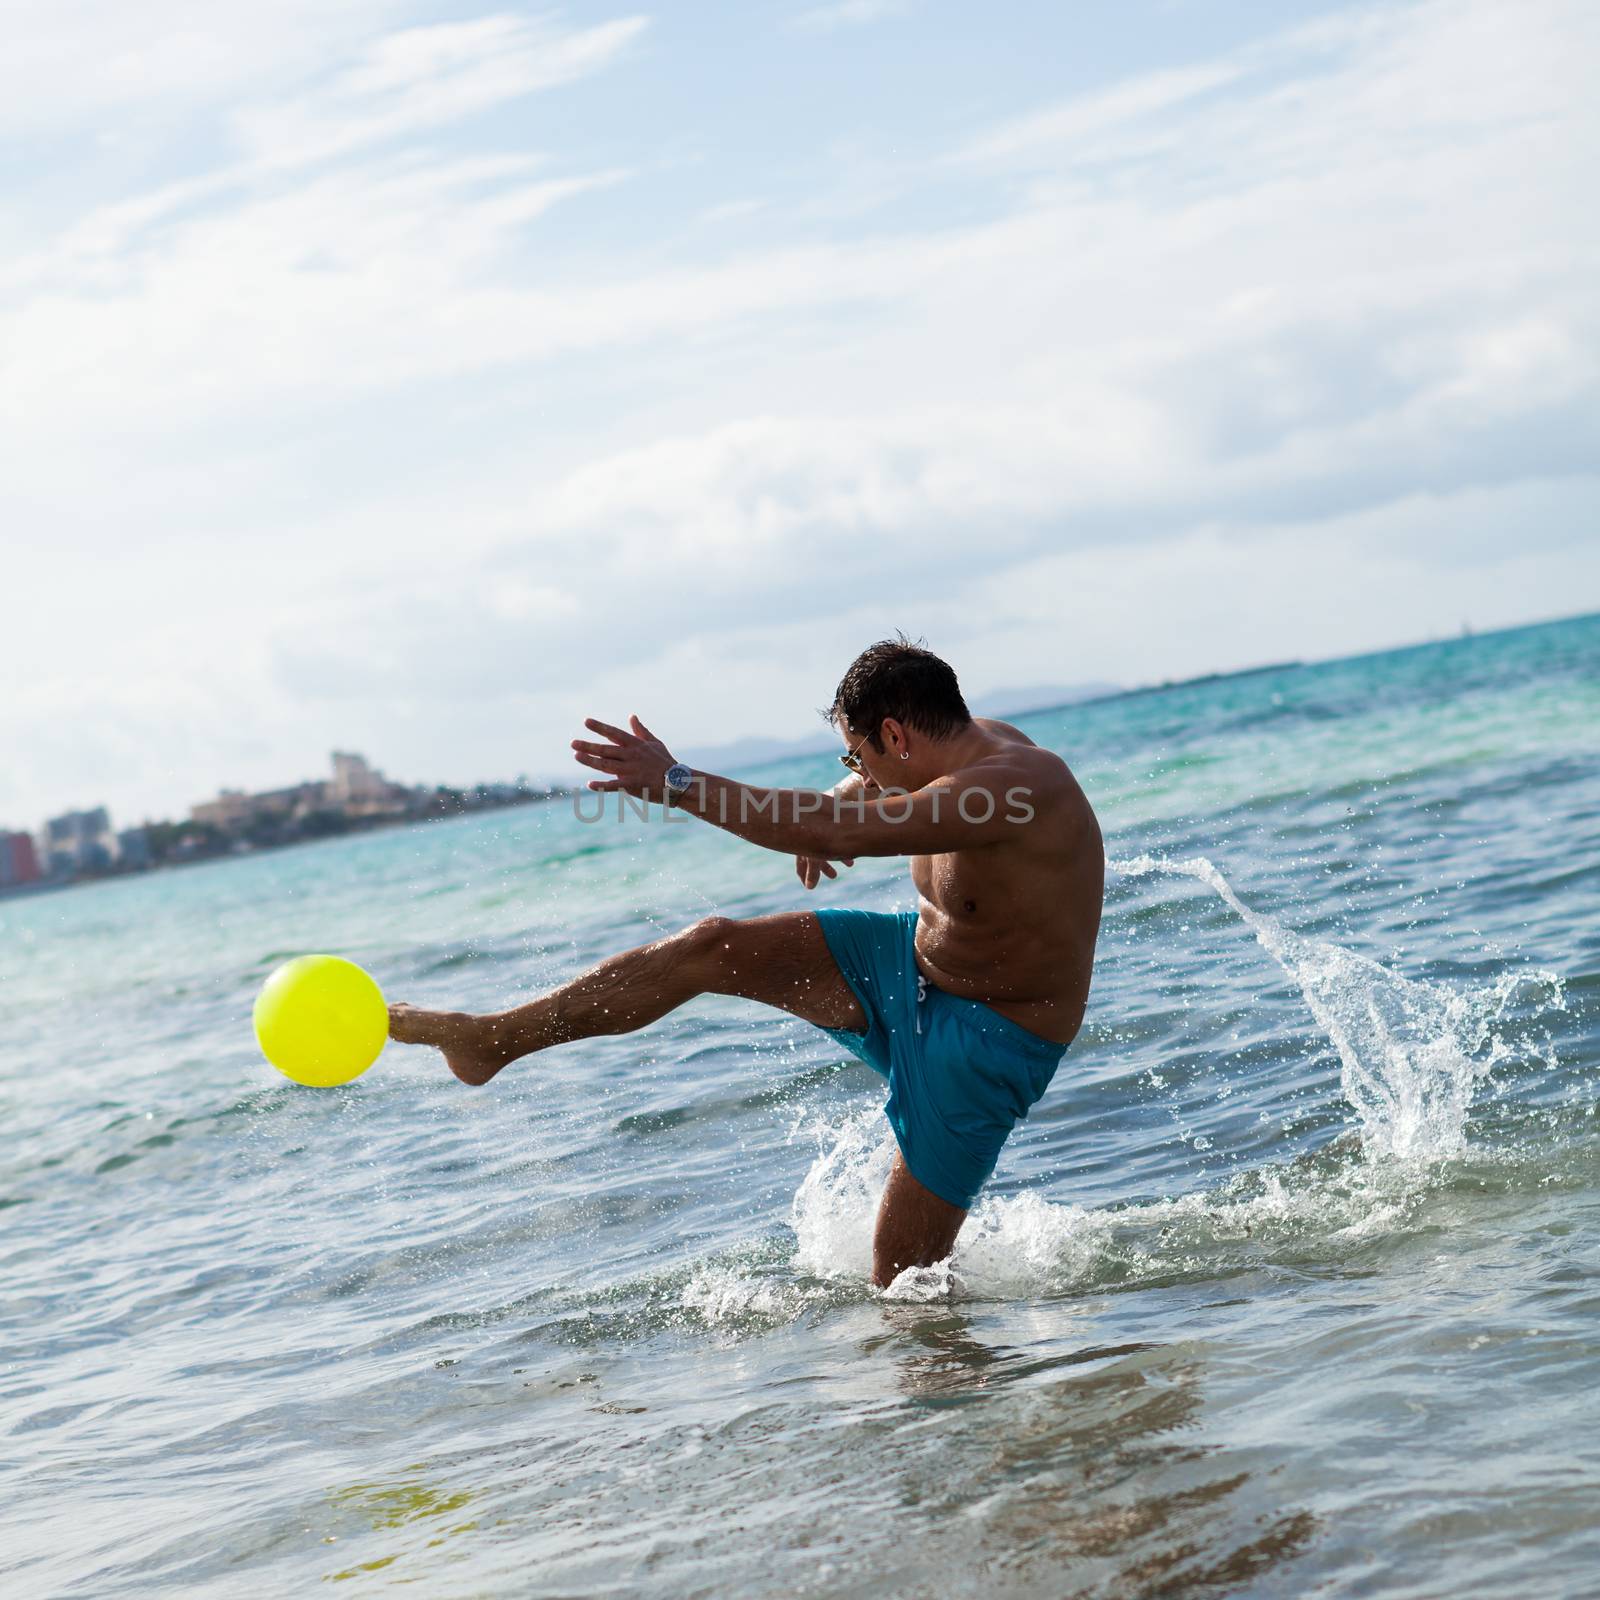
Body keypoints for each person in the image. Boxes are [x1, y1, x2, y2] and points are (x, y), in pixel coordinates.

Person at [389, 636, 1104, 1286]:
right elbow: (848, 805)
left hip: (988, 1041)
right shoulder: (951, 756)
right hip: (903, 967)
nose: (860, 772)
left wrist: (676, 781)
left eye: (858, 756)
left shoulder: (1012, 789)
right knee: (711, 945)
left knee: (903, 1289)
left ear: (895, 734)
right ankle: (492, 1040)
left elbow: (839, 823)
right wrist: (838, 798)